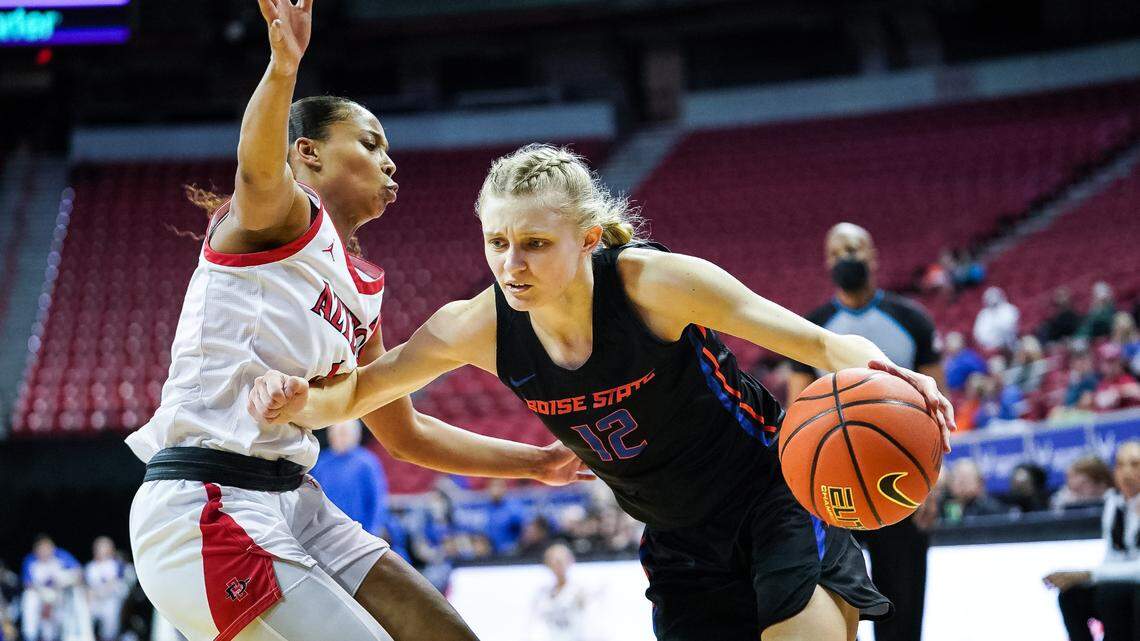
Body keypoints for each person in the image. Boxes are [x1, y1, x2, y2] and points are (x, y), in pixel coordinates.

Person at [249, 144, 957, 641]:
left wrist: (897, 375)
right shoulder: (477, 325)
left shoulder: (653, 284)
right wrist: (297, 401)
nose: (510, 263)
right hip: (678, 542)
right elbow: (360, 395)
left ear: (587, 238)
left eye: (533, 243)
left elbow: (822, 343)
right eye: (497, 241)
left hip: (771, 498)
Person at [123, 4, 587, 641]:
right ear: (307, 154)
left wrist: (535, 463)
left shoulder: (363, 293)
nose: (389, 162)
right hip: (205, 501)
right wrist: (283, 66)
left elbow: (406, 433)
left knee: (448, 634)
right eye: (370, 143)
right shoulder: (278, 216)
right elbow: (258, 168)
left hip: (293, 499)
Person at [786, 222, 945, 641]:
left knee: (903, 606)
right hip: (833, 479)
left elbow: (938, 406)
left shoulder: (911, 318)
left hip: (901, 474)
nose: (847, 258)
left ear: (873, 256)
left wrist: (935, 480)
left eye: (855, 248)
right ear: (826, 262)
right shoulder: (814, 326)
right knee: (836, 606)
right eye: (838, 252)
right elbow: (797, 415)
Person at [1046, 440, 1140, 641]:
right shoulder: (1114, 503)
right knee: (1072, 595)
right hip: (1122, 587)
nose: (1126, 472)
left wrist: (1089, 574)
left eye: (1134, 464)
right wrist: (1083, 577)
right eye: (1120, 465)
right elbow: (1113, 557)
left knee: (1113, 593)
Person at [310, 420, 392, 537]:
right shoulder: (321, 463)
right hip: (328, 532)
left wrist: (373, 532)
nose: (340, 438)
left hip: (361, 532)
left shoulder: (367, 463)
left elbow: (378, 499)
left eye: (344, 433)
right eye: (336, 433)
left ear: (356, 435)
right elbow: (313, 499)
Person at [21, 535, 81, 641]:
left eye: (47, 548)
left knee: (54, 628)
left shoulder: (61, 556)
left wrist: (62, 584)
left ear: (53, 548)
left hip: (60, 597)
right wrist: (45, 598)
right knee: (29, 598)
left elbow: (78, 574)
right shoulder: (30, 560)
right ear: (36, 550)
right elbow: (27, 584)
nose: (44, 552)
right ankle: (29, 637)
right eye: (41, 549)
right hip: (40, 596)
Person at [527, 543, 591, 641]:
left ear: (570, 561)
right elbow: (535, 623)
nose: (556, 566)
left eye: (560, 562)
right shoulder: (542, 593)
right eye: (552, 562)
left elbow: (590, 621)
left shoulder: (579, 590)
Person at [85, 536, 130, 641]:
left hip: (111, 600)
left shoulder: (117, 565)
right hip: (95, 601)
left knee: (110, 625)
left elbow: (123, 584)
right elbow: (87, 587)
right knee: (86, 619)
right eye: (99, 547)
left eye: (105, 547)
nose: (102, 550)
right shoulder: (90, 567)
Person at [941, 459, 1006, 523]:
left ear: (980, 483)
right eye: (957, 479)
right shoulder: (941, 507)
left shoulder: (991, 510)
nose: (962, 484)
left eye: (966, 479)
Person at [973, 286, 1020, 351]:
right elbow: (978, 334)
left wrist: (995, 331)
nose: (993, 300)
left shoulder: (1010, 309)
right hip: (989, 346)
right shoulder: (983, 314)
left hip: (1010, 344)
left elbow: (1009, 328)